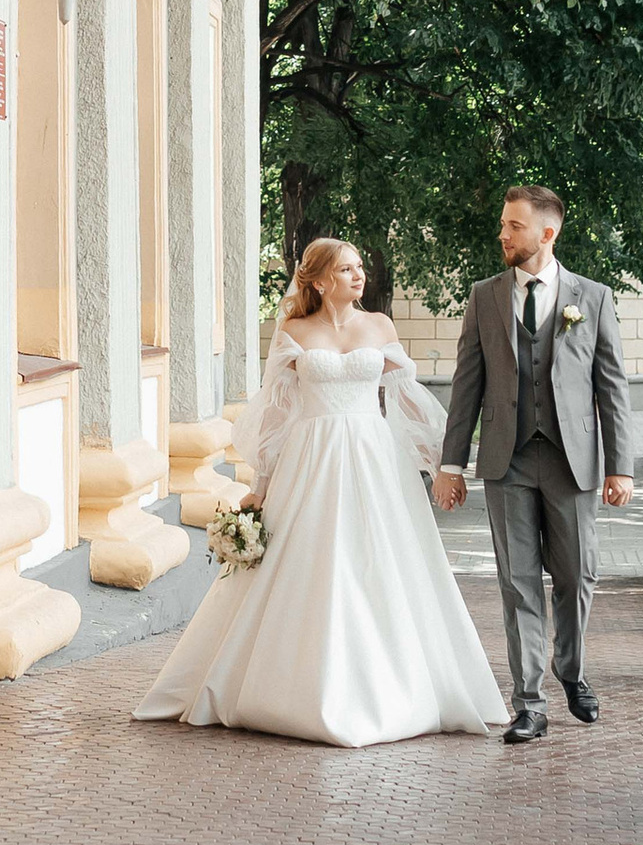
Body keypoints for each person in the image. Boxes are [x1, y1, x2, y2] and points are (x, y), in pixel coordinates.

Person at [132, 236, 507, 746]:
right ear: (321, 280)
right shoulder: (294, 330)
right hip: (310, 459)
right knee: (310, 562)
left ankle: (398, 688)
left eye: (359, 267)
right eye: (347, 269)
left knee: (381, 562)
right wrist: (260, 488)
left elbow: (406, 398)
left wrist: (442, 465)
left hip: (373, 459)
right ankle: (292, 690)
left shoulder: (380, 326)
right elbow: (277, 413)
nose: (359, 275)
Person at [432, 187, 632, 745]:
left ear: (547, 233)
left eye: (514, 226)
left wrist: (620, 466)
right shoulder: (484, 297)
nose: (503, 234)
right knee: (517, 582)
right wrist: (451, 464)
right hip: (508, 458)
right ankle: (529, 704)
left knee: (576, 576)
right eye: (503, 224)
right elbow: (467, 384)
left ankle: (571, 670)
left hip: (574, 460)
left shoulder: (593, 298)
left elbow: (612, 387)